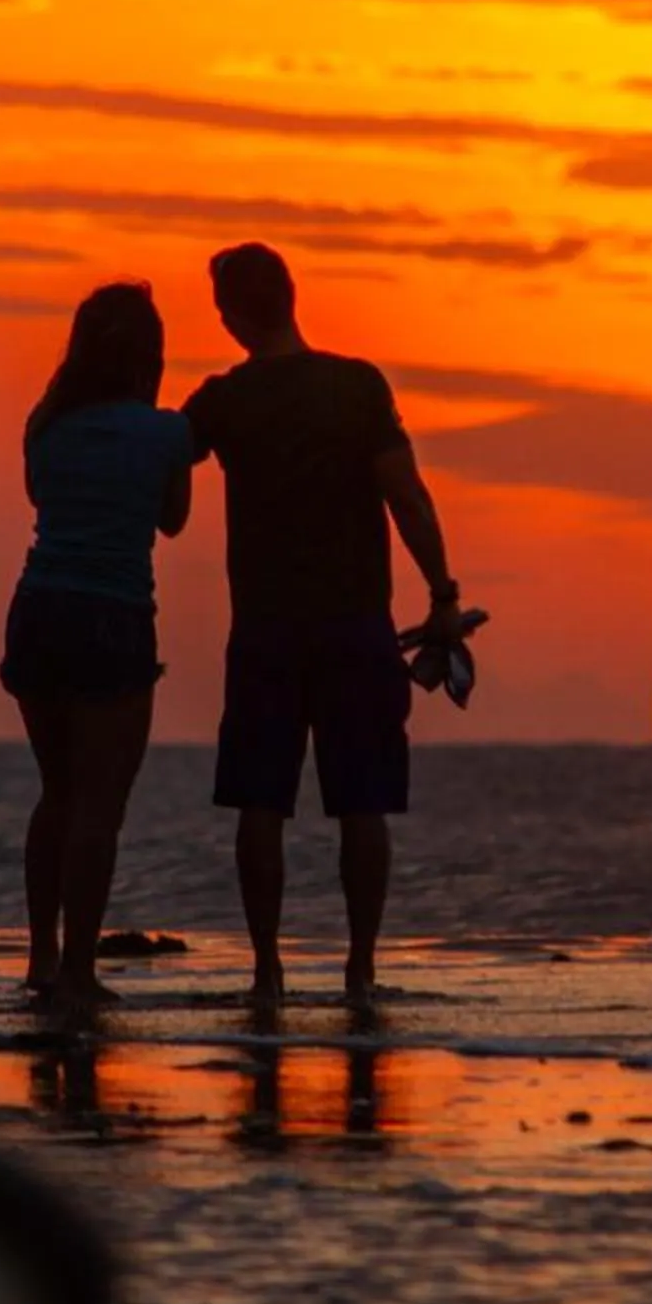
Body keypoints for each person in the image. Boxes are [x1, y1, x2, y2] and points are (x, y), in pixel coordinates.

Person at [183, 244, 463, 1007]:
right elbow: (406, 496)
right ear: (292, 296)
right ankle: (360, 970)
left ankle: (266, 972)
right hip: (355, 625)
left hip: (266, 631)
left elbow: (165, 468)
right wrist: (442, 592)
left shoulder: (222, 401)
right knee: (363, 805)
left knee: (260, 804)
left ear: (230, 317)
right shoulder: (356, 385)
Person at [0, 283, 195, 1005]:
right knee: (99, 804)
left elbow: (41, 499)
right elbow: (172, 519)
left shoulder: (46, 423)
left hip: (38, 609)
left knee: (56, 791)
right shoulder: (166, 433)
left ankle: (42, 957)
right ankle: (80, 970)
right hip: (112, 615)